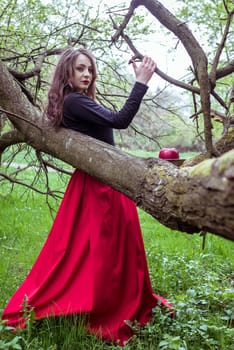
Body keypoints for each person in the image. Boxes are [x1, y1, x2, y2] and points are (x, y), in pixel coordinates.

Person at [2, 48, 172, 346]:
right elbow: (119, 120)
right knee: (108, 252)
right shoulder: (75, 101)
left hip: (103, 181)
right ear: (66, 72)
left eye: (90, 70)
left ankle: (116, 300)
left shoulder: (75, 102)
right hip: (101, 185)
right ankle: (110, 308)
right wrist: (141, 82)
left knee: (110, 250)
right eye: (80, 69)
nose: (86, 74)